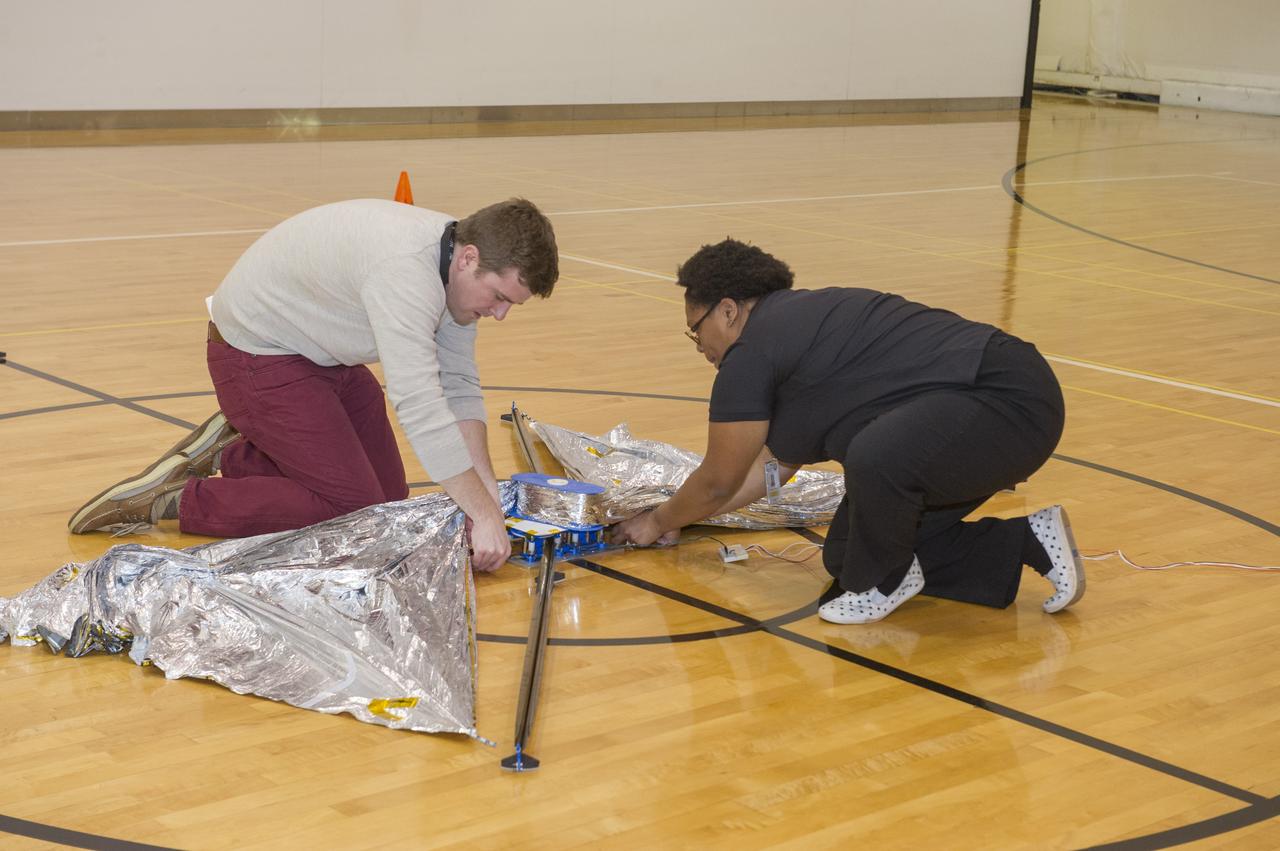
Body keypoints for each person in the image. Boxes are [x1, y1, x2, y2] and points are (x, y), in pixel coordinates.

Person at [69, 197, 559, 573]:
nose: (498, 314)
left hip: (320, 357)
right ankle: (170, 499)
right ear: (469, 257)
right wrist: (483, 513)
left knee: (386, 500)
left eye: (510, 304)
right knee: (352, 509)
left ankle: (242, 452)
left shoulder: (453, 264)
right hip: (256, 359)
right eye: (498, 297)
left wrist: (486, 493)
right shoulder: (406, 274)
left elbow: (457, 385)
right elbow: (420, 405)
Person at [612, 238, 1084, 624]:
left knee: (874, 460)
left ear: (729, 311)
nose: (700, 347)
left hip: (1007, 400)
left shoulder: (754, 351)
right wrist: (676, 518)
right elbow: (762, 471)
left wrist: (655, 522)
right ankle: (1028, 539)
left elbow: (718, 478)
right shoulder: (795, 339)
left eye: (696, 331)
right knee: (847, 556)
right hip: (995, 411)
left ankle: (887, 581)